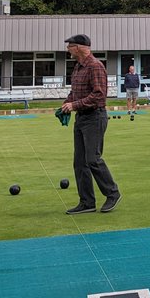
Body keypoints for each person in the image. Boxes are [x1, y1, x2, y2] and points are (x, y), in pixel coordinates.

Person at [61, 34, 121, 214]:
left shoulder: (95, 66)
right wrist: (67, 103)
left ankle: (112, 193)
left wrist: (75, 105)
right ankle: (87, 202)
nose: (67, 49)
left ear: (79, 47)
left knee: (92, 159)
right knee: (79, 162)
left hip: (95, 117)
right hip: (82, 117)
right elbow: (75, 92)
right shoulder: (78, 67)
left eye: (69, 46)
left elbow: (98, 96)